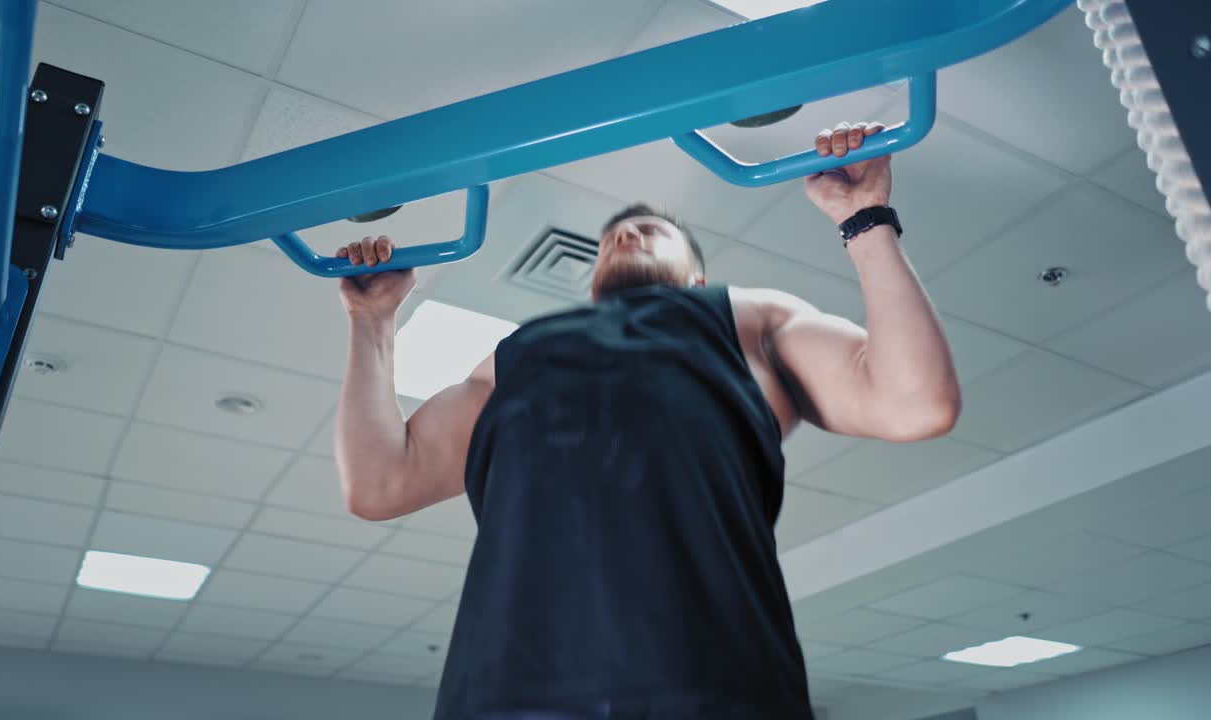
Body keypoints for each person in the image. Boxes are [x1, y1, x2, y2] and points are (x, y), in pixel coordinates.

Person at [333, 122, 961, 719]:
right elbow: (379, 484)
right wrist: (372, 322)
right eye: (614, 237)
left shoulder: (749, 318)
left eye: (650, 231)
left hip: (713, 691)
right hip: (507, 695)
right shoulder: (512, 358)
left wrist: (866, 218)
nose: (627, 236)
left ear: (697, 277)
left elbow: (917, 402)